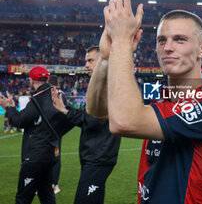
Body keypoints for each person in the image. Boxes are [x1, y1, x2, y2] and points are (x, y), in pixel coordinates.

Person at [86, 0, 202, 203]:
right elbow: (96, 109)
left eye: (180, 39)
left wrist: (123, 43)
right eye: (161, 40)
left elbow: (123, 122)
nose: (168, 48)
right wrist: (106, 58)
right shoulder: (162, 98)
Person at [51, 46, 122, 204]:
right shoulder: (99, 86)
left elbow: (92, 121)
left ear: (103, 62)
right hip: (94, 156)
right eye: (86, 61)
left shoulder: (106, 87)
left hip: (99, 158)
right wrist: (65, 110)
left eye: (90, 61)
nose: (86, 65)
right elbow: (88, 117)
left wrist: (64, 110)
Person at [0, 66, 73, 204]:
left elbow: (19, 121)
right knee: (46, 194)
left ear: (32, 80)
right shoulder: (54, 94)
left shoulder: (38, 98)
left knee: (23, 198)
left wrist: (8, 107)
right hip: (51, 154)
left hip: (36, 156)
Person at [48, 75, 65, 194]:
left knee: (54, 158)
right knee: (52, 157)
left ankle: (54, 184)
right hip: (55, 130)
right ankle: (51, 184)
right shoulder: (60, 93)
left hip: (52, 130)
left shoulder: (57, 94)